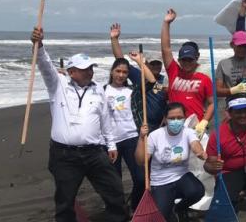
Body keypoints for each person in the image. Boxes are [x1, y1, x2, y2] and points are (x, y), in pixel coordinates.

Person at [31, 27, 129, 222]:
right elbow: (44, 64)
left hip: (94, 152)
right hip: (65, 155)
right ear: (71, 71)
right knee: (65, 201)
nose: (90, 72)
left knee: (115, 191)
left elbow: (105, 120)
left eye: (91, 68)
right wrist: (38, 44)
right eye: (85, 69)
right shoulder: (58, 84)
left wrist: (110, 144)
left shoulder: (98, 90)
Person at [136, 103, 206, 222]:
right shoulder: (155, 135)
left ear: (184, 118)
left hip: (181, 176)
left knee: (197, 191)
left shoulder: (188, 132)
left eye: (179, 118)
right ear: (165, 119)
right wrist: (141, 138)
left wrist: (200, 152)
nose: (176, 121)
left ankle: (178, 209)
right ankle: (170, 210)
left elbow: (195, 144)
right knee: (162, 216)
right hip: (160, 181)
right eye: (172, 118)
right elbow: (140, 161)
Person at [104, 55, 152, 212]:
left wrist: (140, 62)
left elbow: (154, 83)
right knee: (114, 181)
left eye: (125, 72)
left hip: (133, 138)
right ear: (112, 72)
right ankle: (119, 209)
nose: (121, 75)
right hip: (111, 142)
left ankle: (135, 206)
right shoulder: (102, 91)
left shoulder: (133, 90)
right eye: (118, 71)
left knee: (140, 178)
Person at [160, 9, 214, 137]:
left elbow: (212, 103)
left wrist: (205, 121)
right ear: (179, 60)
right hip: (174, 124)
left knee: (197, 156)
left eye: (190, 59)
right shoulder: (174, 71)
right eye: (183, 60)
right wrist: (166, 23)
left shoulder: (204, 79)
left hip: (196, 127)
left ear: (196, 59)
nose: (187, 63)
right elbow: (165, 48)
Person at [109, 23, 167, 132]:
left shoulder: (165, 80)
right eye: (153, 63)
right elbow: (120, 61)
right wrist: (114, 40)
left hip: (160, 126)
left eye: (158, 64)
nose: (156, 66)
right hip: (142, 124)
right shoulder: (138, 75)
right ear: (146, 63)